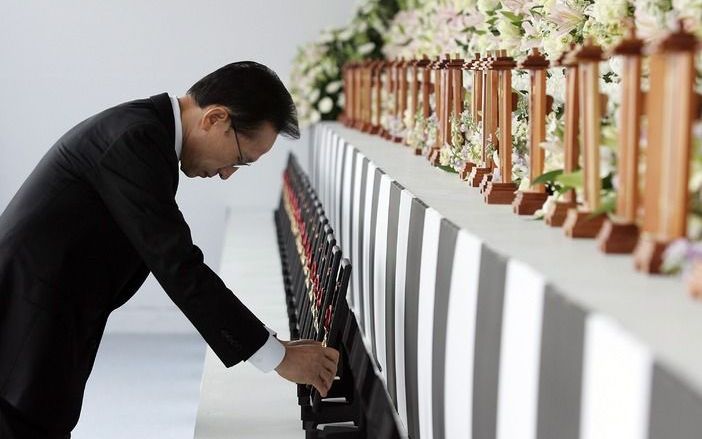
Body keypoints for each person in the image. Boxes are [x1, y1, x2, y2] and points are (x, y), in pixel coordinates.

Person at [0, 61, 339, 439]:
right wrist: (277, 356)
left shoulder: (146, 133)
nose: (228, 173)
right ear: (215, 118)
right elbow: (178, 265)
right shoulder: (135, 141)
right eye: (240, 158)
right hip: (22, 330)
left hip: (44, 323)